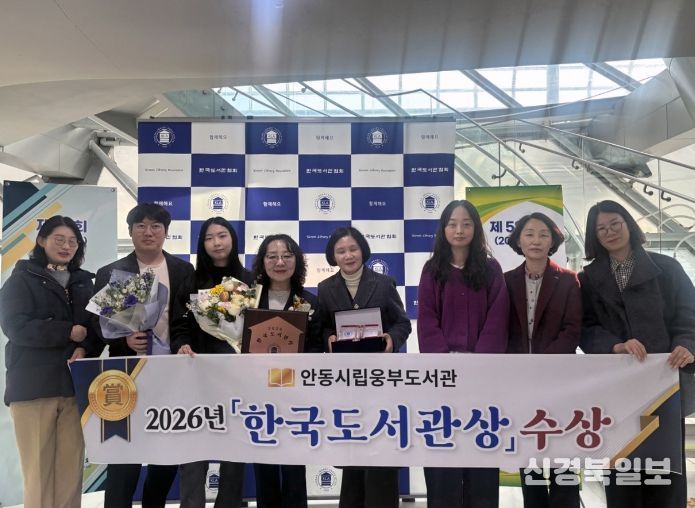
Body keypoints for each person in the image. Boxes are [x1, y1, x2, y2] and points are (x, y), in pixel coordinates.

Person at [579, 199, 695, 507]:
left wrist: (686, 344)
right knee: (621, 471)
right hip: (616, 389)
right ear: (594, 236)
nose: (610, 232)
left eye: (615, 224)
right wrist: (615, 345)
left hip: (664, 386)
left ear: (628, 224)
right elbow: (585, 327)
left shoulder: (667, 268)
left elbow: (689, 316)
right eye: (601, 228)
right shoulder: (588, 279)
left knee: (665, 471)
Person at [94, 203, 195, 508]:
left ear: (165, 232)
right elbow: (98, 324)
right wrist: (124, 338)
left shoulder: (183, 270)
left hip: (171, 373)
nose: (148, 232)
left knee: (166, 448)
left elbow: (187, 319)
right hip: (128, 371)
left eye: (155, 226)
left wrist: (182, 344)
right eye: (141, 226)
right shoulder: (111, 272)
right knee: (124, 451)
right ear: (130, 231)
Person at [0, 215, 99, 508]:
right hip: (33, 388)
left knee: (70, 474)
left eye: (73, 241)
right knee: (39, 475)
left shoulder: (85, 282)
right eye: (59, 239)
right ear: (42, 241)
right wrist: (66, 332)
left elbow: (96, 328)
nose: (66, 246)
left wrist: (86, 348)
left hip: (74, 387)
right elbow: (15, 326)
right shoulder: (21, 279)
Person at [417, 199, 508, 508]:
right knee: (443, 449)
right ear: (443, 229)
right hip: (442, 379)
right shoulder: (432, 270)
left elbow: (497, 319)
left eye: (466, 224)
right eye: (453, 224)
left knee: (481, 448)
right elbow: (427, 321)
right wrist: (446, 365)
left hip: (483, 378)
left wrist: (477, 364)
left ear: (476, 229)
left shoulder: (491, 269)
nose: (459, 230)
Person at [318, 226, 411, 508]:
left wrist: (391, 338)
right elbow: (321, 327)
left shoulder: (383, 283)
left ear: (363, 250)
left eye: (353, 249)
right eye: (341, 251)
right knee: (353, 448)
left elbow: (402, 323)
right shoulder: (325, 288)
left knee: (382, 446)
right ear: (333, 256)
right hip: (347, 381)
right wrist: (328, 338)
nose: (348, 255)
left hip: (381, 378)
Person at [171, 217, 251, 508]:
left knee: (234, 448)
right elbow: (178, 324)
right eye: (209, 237)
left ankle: (229, 503)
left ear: (233, 239)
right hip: (197, 373)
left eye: (222, 235)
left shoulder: (250, 279)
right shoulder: (191, 281)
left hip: (237, 377)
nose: (217, 243)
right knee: (194, 446)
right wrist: (181, 345)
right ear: (202, 244)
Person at [505, 212, 581, 508]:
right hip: (520, 383)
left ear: (553, 242)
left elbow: (572, 330)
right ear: (518, 240)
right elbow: (502, 329)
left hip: (559, 381)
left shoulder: (569, 280)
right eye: (529, 234)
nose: (535, 240)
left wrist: (540, 365)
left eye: (543, 234)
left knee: (563, 453)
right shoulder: (506, 281)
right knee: (530, 456)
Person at [249, 234, 322, 508]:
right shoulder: (248, 299)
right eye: (272, 256)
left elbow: (316, 348)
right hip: (257, 396)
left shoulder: (310, 301)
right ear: (262, 261)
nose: (280, 262)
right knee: (263, 466)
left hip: (295, 395)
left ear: (297, 261)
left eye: (287, 256)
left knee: (294, 467)